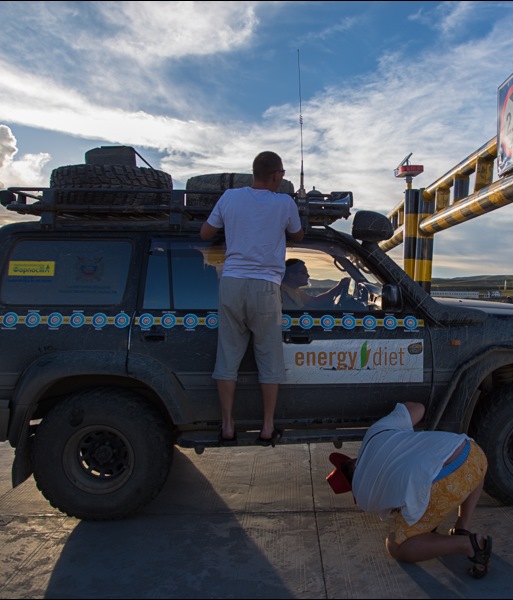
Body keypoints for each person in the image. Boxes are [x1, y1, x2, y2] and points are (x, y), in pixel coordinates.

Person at [199, 151, 304, 446]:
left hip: (230, 283)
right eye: (282, 173)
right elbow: (297, 235)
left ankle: (228, 426)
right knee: (269, 359)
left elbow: (206, 232)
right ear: (275, 176)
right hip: (265, 287)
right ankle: (267, 427)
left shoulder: (230, 197)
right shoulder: (285, 202)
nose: (282, 178)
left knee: (227, 358)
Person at [326, 402, 492, 578]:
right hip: (474, 453)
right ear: (352, 461)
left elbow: (401, 507)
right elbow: (418, 408)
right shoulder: (376, 432)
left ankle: (467, 544)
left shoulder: (363, 496)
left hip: (450, 482)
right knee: (463, 461)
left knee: (397, 546)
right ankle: (462, 525)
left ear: (351, 488)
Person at [280, 258, 350, 310]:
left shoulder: (296, 291)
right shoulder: (283, 294)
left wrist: (339, 286)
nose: (308, 276)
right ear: (291, 275)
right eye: (303, 273)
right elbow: (301, 312)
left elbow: (316, 302)